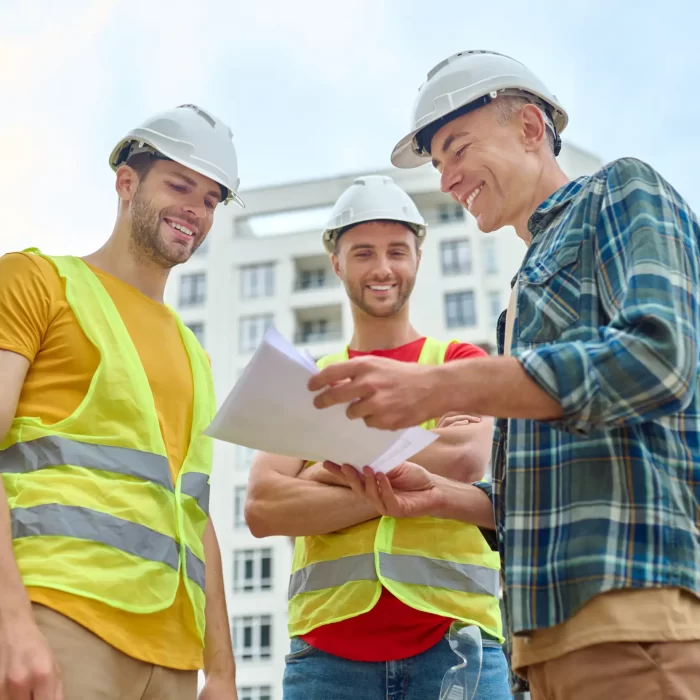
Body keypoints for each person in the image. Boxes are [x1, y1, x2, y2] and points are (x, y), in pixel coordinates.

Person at [307, 50, 700, 699]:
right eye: (439, 164)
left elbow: (658, 361)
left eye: (458, 149)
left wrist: (438, 388)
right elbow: (551, 490)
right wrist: (440, 498)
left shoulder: (621, 190)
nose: (449, 178)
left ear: (529, 128)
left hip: (635, 616)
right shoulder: (519, 298)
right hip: (544, 644)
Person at [0, 104, 243, 700]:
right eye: (179, 185)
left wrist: (224, 673)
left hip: (173, 655)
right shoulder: (36, 282)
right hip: (60, 616)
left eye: (211, 199)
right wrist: (11, 623)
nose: (195, 209)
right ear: (126, 183)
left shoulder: (195, 355)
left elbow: (194, 511)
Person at [245, 174, 512, 699]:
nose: (383, 268)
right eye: (363, 252)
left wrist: (325, 467)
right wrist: (411, 469)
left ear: (417, 258)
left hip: (459, 645)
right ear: (337, 264)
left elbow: (463, 462)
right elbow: (263, 507)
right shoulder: (307, 379)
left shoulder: (459, 363)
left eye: (397, 250)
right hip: (326, 658)